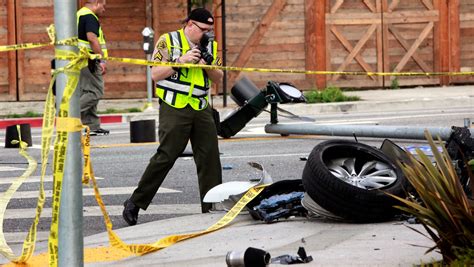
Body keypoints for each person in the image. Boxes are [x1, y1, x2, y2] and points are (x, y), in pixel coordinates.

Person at [122, 8, 223, 226]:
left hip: (200, 106)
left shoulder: (210, 46)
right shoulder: (167, 41)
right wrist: (181, 60)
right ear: (190, 25)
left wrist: (208, 66)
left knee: (210, 158)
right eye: (203, 29)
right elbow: (155, 74)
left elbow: (219, 78)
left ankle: (212, 209)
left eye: (209, 30)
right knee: (166, 155)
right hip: (174, 105)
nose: (206, 34)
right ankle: (135, 202)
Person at [77, 0, 110, 135]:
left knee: (87, 91)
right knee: (95, 92)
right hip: (89, 60)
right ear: (97, 3)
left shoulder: (79, 15)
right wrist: (100, 59)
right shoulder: (89, 16)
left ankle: (91, 125)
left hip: (81, 60)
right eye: (103, 6)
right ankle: (69, 114)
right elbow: (92, 38)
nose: (104, 9)